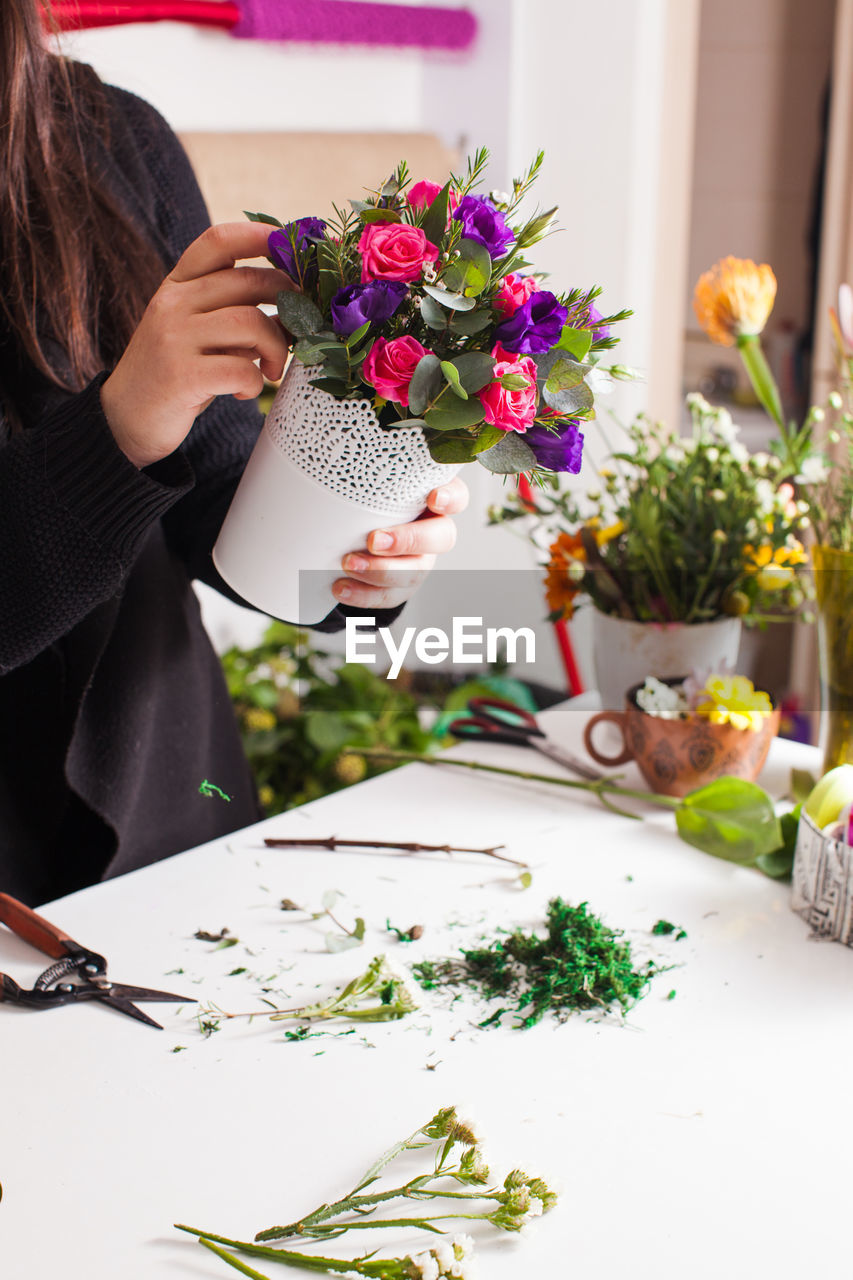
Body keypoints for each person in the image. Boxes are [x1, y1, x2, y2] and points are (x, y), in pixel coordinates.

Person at [0, 0, 468, 906]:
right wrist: (119, 426)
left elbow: (217, 493)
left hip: (173, 817)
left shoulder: (114, 137)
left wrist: (359, 553)